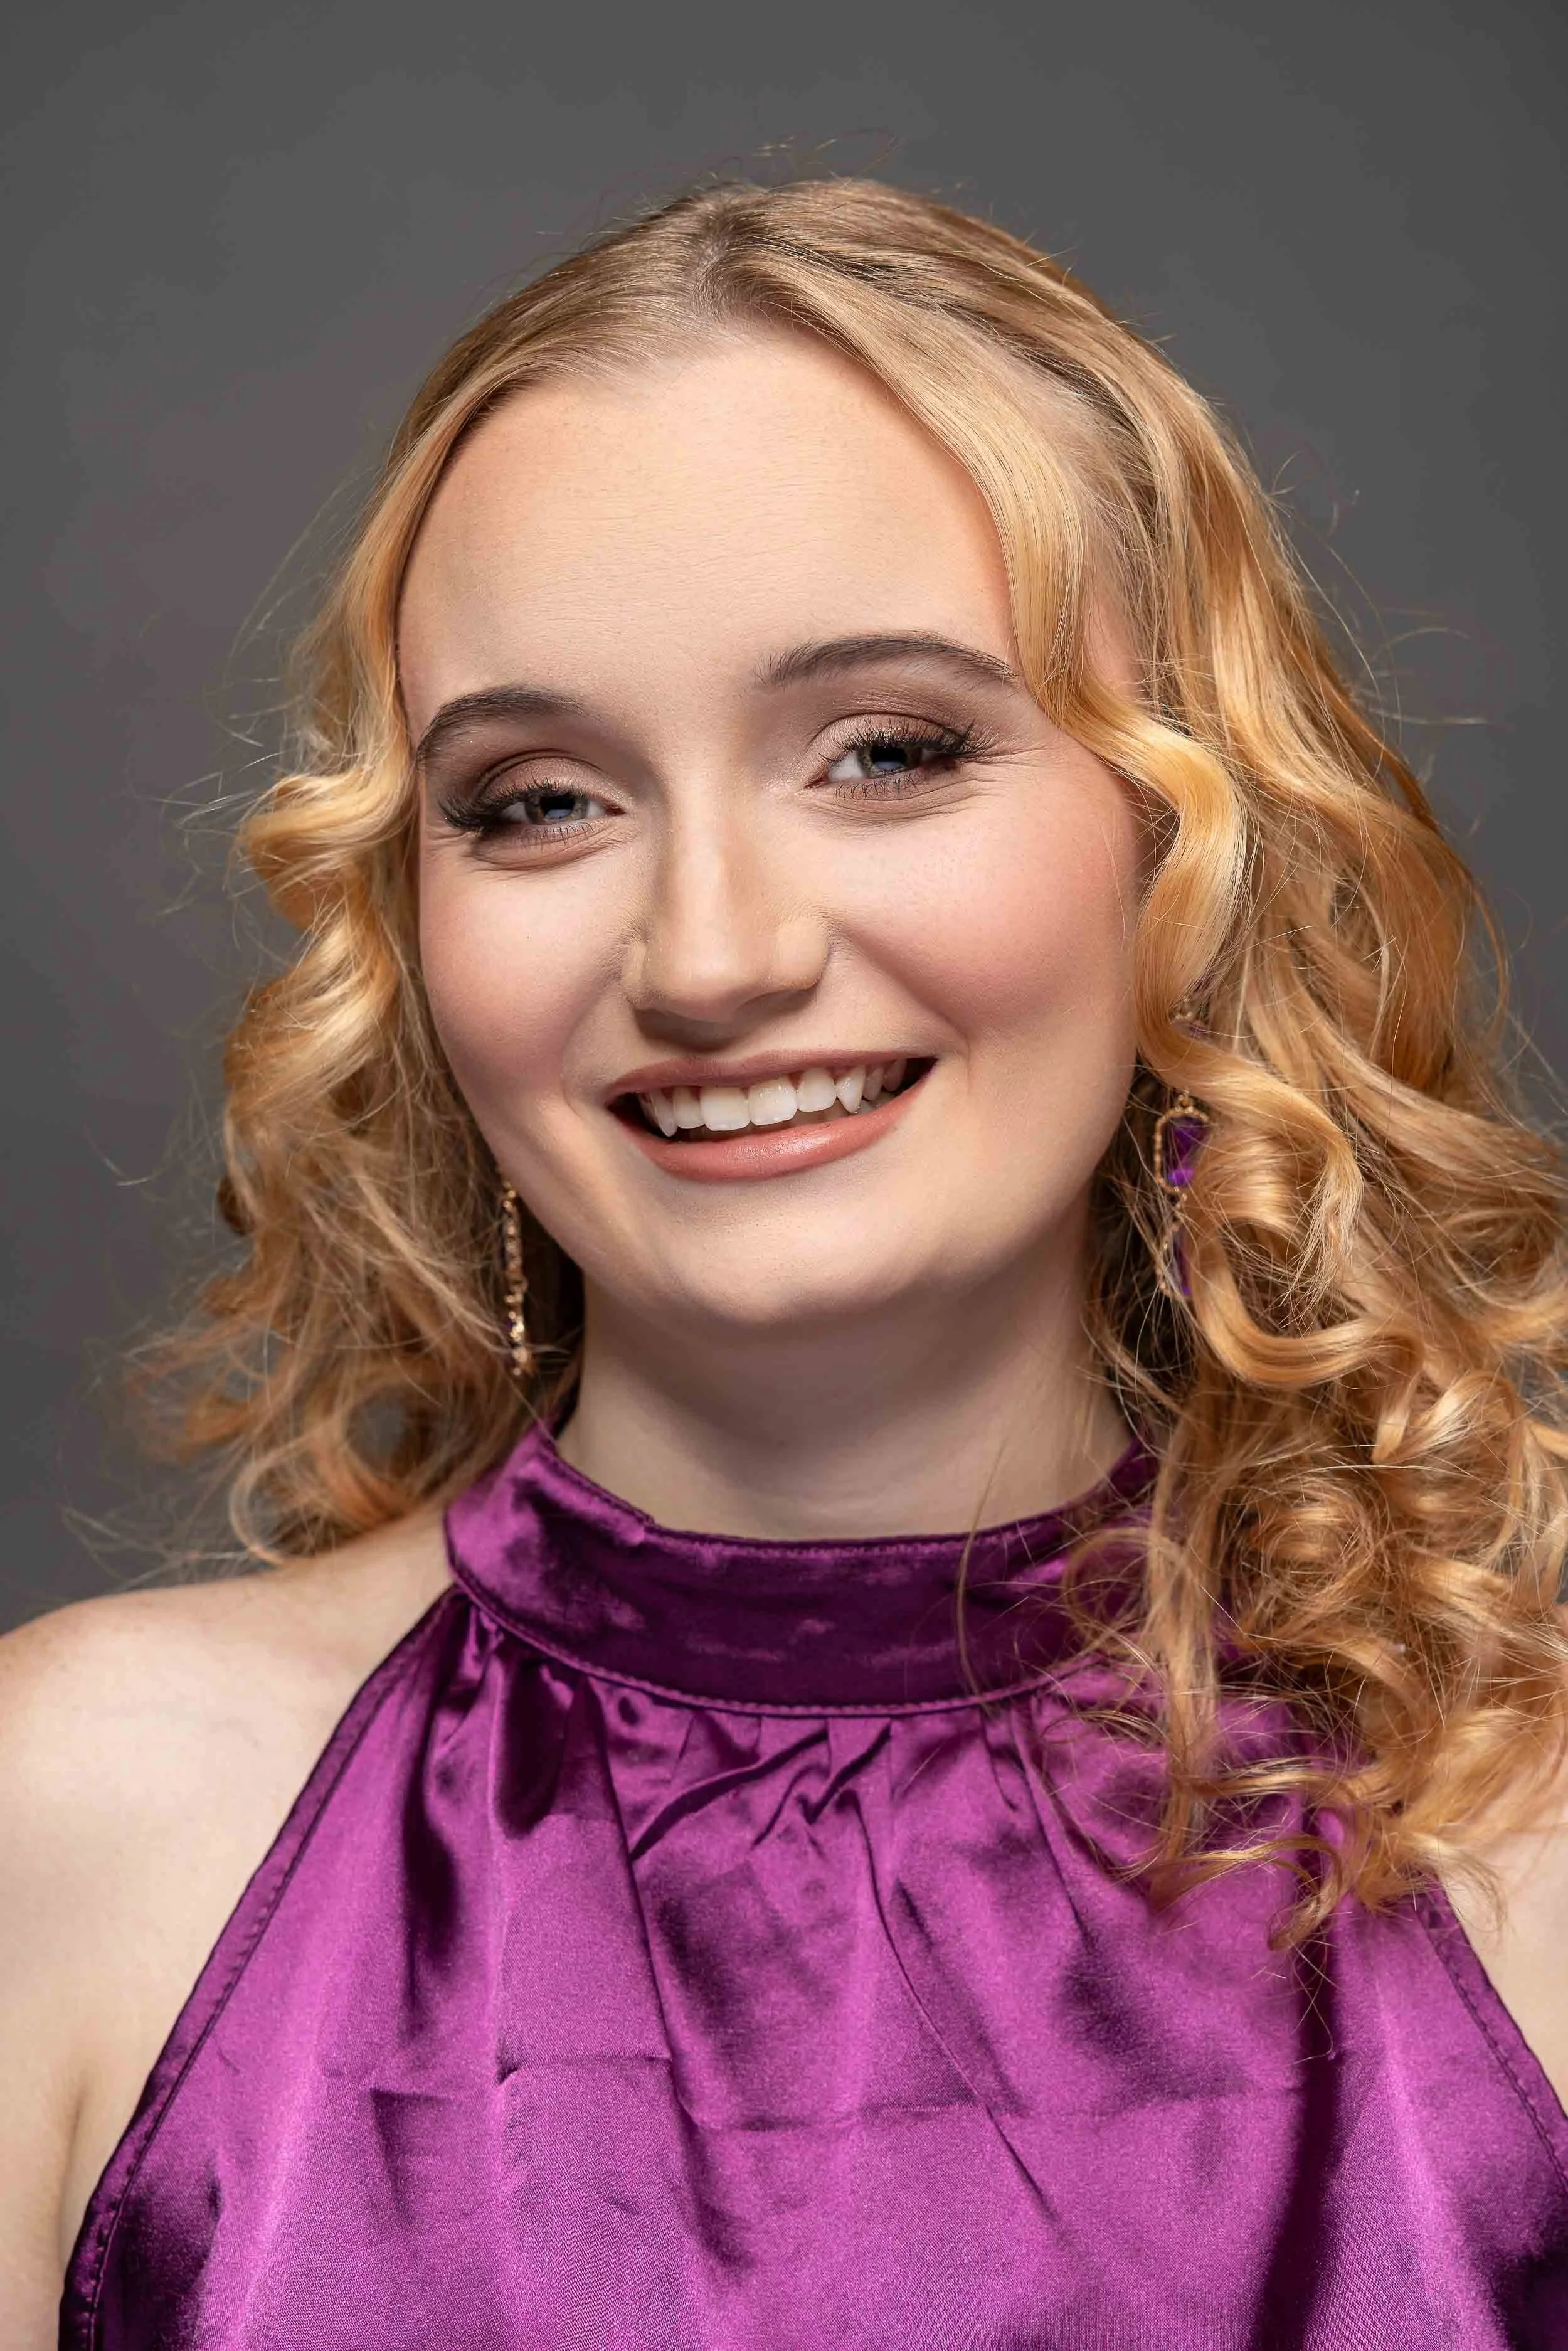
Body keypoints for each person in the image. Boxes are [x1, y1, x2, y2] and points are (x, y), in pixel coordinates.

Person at [3, 177, 1566, 2350]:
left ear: (1184, 840)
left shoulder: (1529, 1861)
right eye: (540, 800)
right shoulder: (77, 1832)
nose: (714, 953)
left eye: (889, 751)